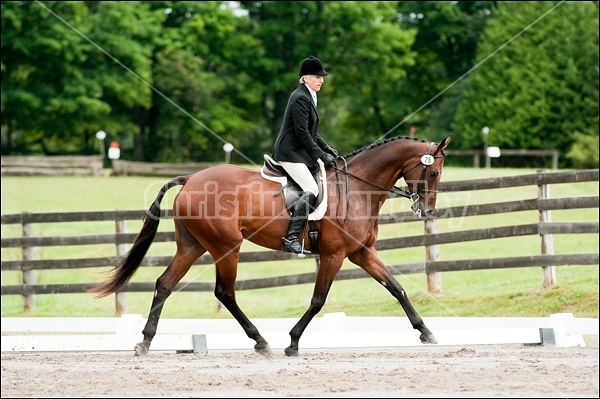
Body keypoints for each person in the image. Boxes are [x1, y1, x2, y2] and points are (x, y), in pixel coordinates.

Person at [272, 55, 338, 255]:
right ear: (304, 78)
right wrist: (320, 155)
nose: (321, 80)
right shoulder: (300, 97)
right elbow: (302, 133)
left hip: (298, 151)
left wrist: (327, 148)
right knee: (311, 189)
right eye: (317, 76)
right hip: (289, 152)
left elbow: (312, 132)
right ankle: (291, 238)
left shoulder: (309, 95)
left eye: (321, 76)